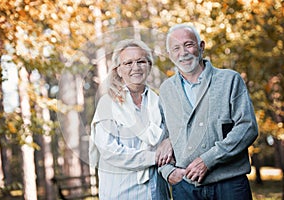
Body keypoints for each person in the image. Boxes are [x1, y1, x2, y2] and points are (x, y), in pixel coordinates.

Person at [158, 23, 258, 200]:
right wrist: (167, 171)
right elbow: (161, 134)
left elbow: (247, 128)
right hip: (185, 187)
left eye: (188, 44)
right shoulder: (166, 89)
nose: (183, 52)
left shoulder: (229, 80)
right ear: (170, 55)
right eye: (176, 48)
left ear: (201, 46)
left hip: (229, 184)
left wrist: (208, 160)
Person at [89, 39, 172, 200]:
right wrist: (153, 157)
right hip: (122, 192)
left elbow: (171, 137)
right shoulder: (108, 104)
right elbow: (109, 150)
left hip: (157, 191)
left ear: (149, 66)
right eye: (128, 63)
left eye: (141, 61)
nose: (136, 67)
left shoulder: (160, 102)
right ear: (118, 70)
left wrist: (169, 142)